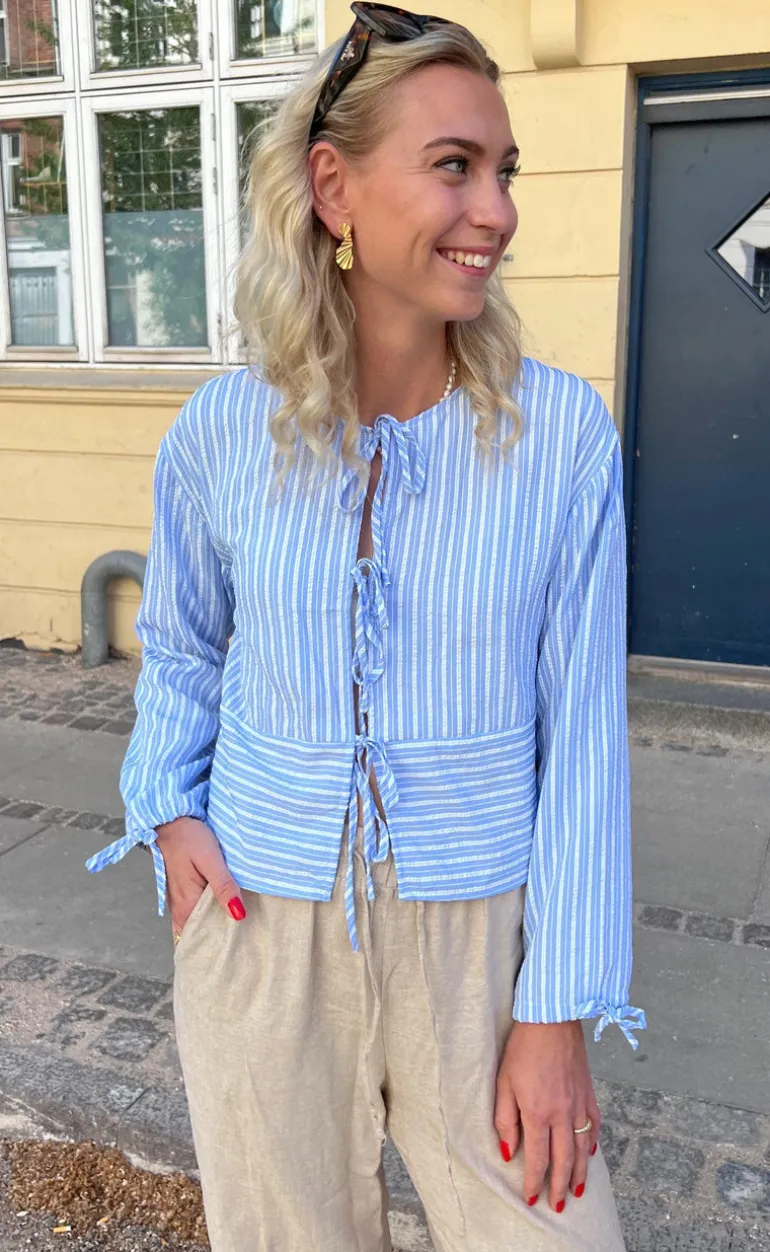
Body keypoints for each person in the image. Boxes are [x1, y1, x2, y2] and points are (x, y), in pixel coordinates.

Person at [86, 5, 646, 1249]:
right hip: (259, 924)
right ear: (333, 187)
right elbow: (183, 646)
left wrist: (553, 1010)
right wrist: (167, 811)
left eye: (502, 170)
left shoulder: (559, 438)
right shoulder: (220, 434)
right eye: (453, 165)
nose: (494, 209)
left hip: (474, 941)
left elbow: (583, 737)